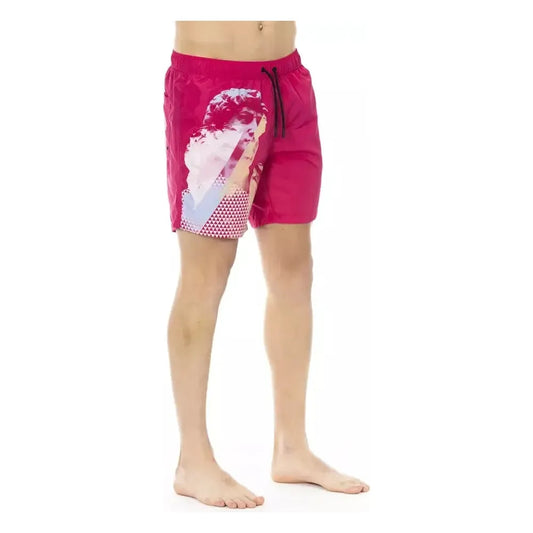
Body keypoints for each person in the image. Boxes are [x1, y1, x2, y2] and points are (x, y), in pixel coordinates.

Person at [163, 20, 369, 510]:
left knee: (295, 270)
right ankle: (193, 460)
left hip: (288, 83)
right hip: (214, 88)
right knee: (206, 275)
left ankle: (291, 448)